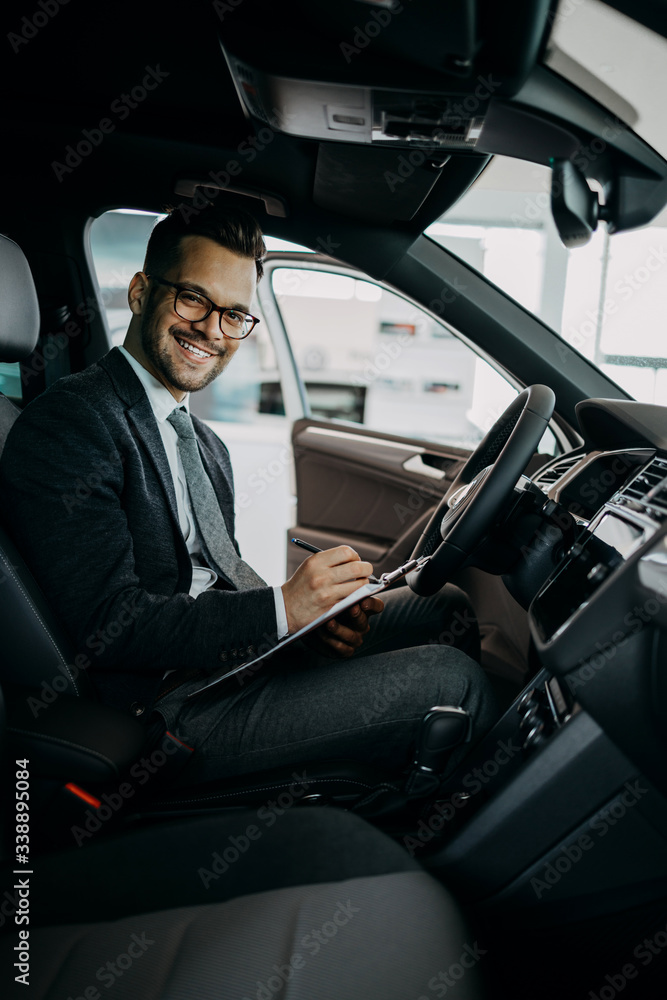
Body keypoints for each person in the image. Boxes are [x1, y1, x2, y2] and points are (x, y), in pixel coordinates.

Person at [0, 204, 496, 785]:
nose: (212, 329)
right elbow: (110, 625)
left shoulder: (206, 445)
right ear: (140, 292)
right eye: (192, 298)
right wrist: (282, 609)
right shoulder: (73, 422)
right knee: (452, 682)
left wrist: (308, 627)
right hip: (171, 703)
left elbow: (216, 583)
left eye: (234, 314)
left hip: (229, 662)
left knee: (448, 610)